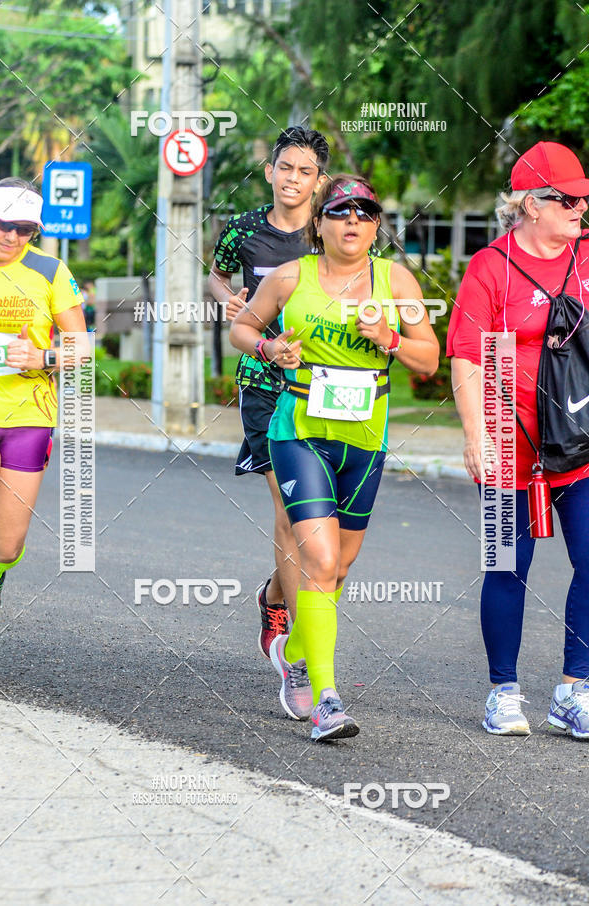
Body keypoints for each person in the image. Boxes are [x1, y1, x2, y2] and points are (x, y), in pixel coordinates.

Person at [230, 175, 439, 740]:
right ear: (319, 224)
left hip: (366, 438)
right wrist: (271, 347)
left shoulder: (395, 280)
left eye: (365, 213)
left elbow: (428, 358)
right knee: (319, 564)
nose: (353, 222)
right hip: (299, 429)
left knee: (339, 568)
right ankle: (326, 699)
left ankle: (295, 654)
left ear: (375, 226)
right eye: (341, 212)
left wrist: (389, 340)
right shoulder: (289, 276)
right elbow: (243, 328)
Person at [448, 141, 589, 738]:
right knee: (507, 565)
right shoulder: (490, 266)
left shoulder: (586, 260)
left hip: (579, 436)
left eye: (583, 197)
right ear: (532, 205)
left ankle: (574, 689)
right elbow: (468, 358)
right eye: (570, 199)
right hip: (511, 437)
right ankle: (502, 691)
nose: (582, 206)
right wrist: (478, 433)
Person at [208, 126, 329, 658]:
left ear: (318, 181)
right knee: (288, 509)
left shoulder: (329, 234)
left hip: (322, 386)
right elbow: (217, 274)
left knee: (322, 516)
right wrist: (229, 300)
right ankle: (299, 647)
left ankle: (274, 593)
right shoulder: (244, 228)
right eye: (286, 168)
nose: (293, 179)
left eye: (305, 172)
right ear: (269, 171)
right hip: (262, 382)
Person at [0, 177, 87, 696]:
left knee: (6, 545)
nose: (14, 237)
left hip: (30, 415)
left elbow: (83, 347)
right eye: (7, 225)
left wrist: (45, 357)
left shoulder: (50, 270)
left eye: (26, 229)